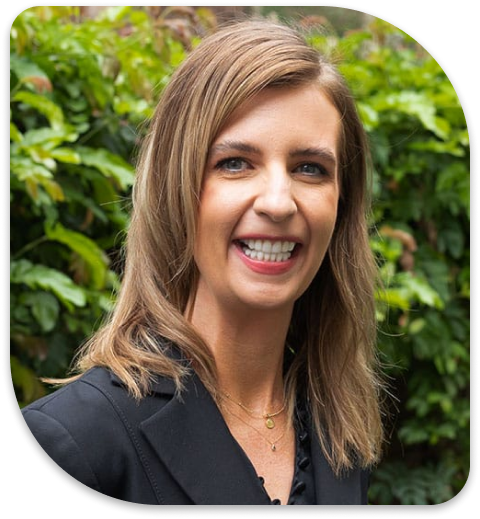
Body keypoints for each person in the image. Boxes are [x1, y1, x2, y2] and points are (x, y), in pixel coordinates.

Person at [21, 19, 384, 505]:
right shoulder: (73, 443)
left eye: (309, 168)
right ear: (176, 190)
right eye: (235, 162)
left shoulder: (340, 437)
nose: (278, 202)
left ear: (341, 205)